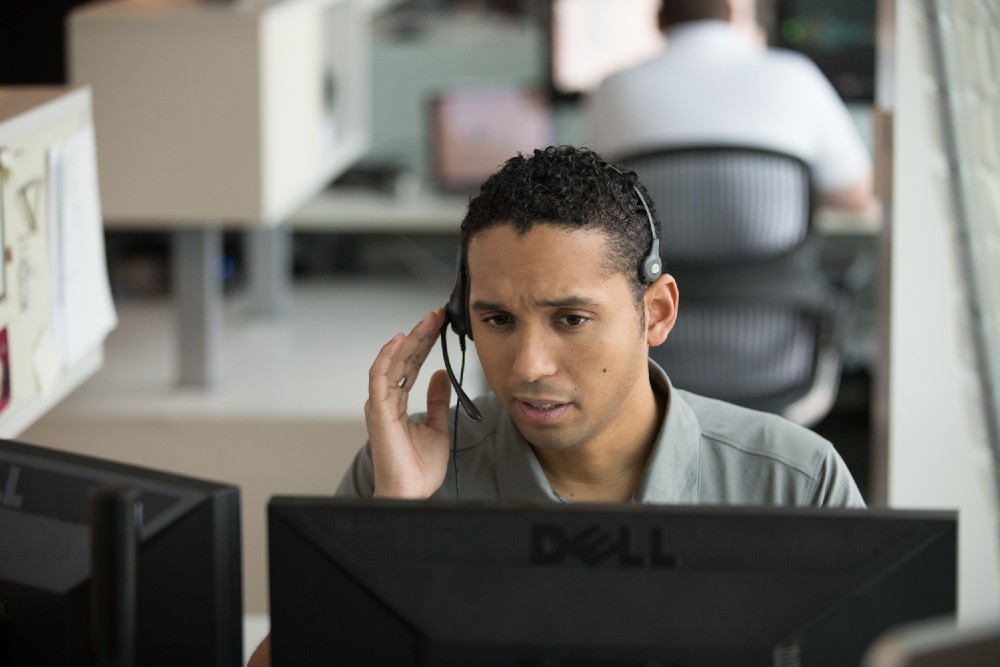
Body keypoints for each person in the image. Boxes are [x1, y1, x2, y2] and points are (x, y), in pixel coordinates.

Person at [247, 144, 864, 666]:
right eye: (496, 319)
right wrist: (393, 522)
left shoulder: (794, 482)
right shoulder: (409, 474)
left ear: (657, 313)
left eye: (570, 318)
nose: (526, 366)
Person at [584, 0, 878, 214]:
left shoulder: (612, 88)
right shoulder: (796, 75)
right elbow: (857, 196)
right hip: (771, 291)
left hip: (654, 288)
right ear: (730, 14)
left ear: (658, 19)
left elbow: (595, 196)